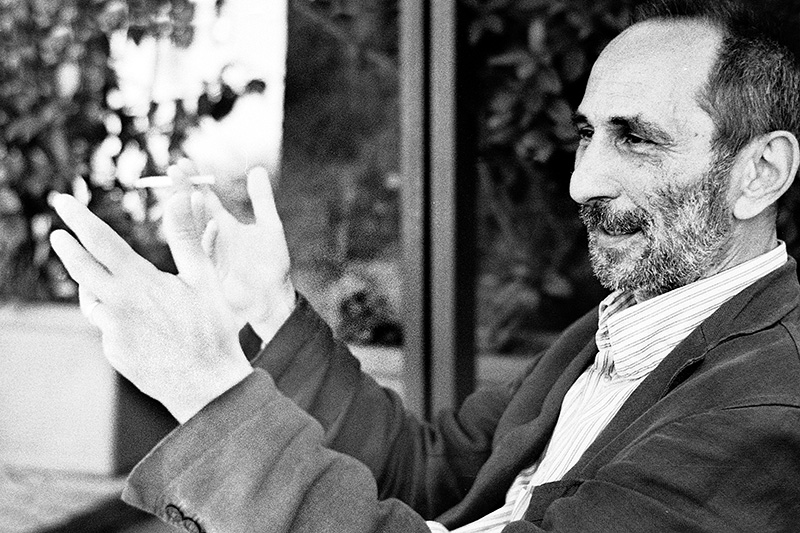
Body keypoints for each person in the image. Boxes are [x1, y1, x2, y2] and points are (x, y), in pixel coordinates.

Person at [49, 0, 800, 531]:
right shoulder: (618, 330)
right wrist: (269, 306)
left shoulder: (767, 405)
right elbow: (425, 471)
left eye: (636, 139)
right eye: (586, 134)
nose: (581, 182)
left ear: (760, 172)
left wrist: (207, 391)